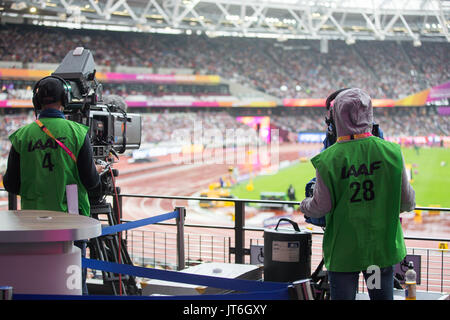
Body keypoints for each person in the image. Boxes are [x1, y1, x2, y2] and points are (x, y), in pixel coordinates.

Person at [299, 88, 415, 300]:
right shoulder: (392, 152)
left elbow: (321, 206)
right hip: (378, 252)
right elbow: (407, 202)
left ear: (337, 116)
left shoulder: (328, 159)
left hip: (344, 252)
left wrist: (304, 204)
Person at [2, 76, 103, 295]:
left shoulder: (21, 136)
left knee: (35, 284)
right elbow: (91, 182)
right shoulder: (78, 132)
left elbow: (10, 184)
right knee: (74, 285)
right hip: (71, 223)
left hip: (31, 226)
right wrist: (98, 174)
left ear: (36, 102)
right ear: (65, 99)